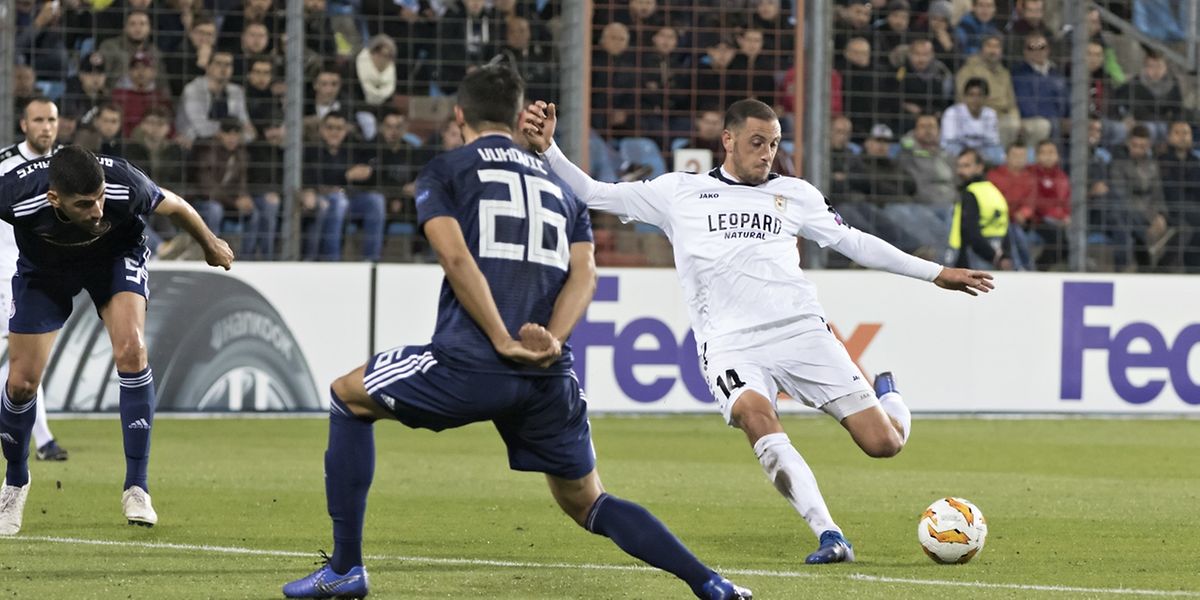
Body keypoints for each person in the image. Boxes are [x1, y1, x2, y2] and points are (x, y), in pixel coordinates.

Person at [280, 63, 752, 600]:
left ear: (459, 115)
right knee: (590, 502)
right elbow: (586, 275)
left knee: (348, 396)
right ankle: (710, 582)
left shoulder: (447, 170)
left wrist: (503, 340)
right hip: (548, 374)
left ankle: (345, 570)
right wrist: (552, 339)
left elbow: (456, 258)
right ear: (513, 116)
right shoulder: (559, 186)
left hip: (470, 363)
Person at [521, 97, 993, 564]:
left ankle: (889, 397)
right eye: (756, 142)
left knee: (884, 443)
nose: (767, 153)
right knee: (755, 415)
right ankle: (830, 535)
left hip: (801, 331)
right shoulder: (677, 192)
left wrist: (935, 273)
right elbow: (594, 193)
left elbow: (856, 243)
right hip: (729, 344)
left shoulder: (796, 194)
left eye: (774, 143)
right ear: (728, 140)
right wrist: (549, 150)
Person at [0, 145, 234, 535]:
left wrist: (210, 245)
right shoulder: (15, 193)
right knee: (22, 384)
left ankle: (137, 487)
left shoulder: (127, 184)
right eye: (85, 204)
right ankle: (15, 482)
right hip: (44, 272)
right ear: (53, 198)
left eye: (100, 198)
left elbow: (176, 206)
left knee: (132, 350)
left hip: (114, 260)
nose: (97, 210)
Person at [0, 98, 69, 462]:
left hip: (42, 274)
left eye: (52, 119)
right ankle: (42, 440)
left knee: (23, 363)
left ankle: (38, 438)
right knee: (19, 363)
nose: (46, 126)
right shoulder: (4, 164)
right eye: (38, 120)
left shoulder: (68, 167)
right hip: (4, 273)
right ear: (24, 125)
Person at [947, 149, 1013, 270]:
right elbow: (1006, 228)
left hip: (975, 255)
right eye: (959, 166)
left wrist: (992, 256)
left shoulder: (971, 193)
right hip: (997, 252)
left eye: (966, 166)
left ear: (979, 167)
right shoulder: (994, 191)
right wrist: (1004, 256)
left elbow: (970, 231)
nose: (960, 171)